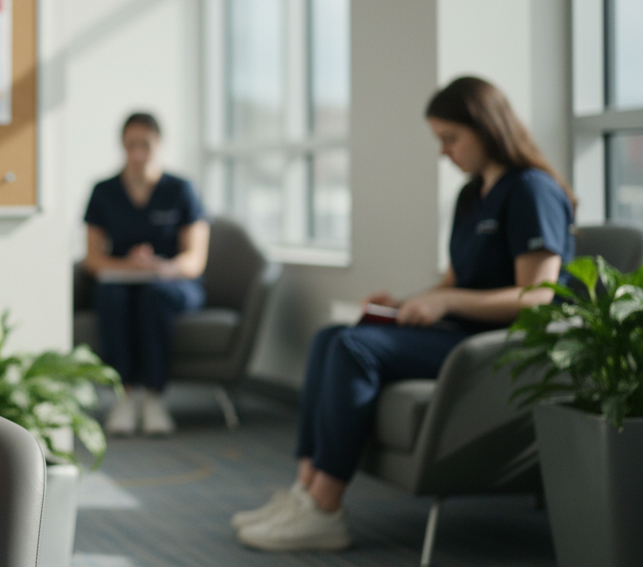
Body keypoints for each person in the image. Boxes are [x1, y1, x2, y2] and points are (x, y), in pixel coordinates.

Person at [233, 76, 575, 552]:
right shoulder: (471, 196)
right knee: (332, 335)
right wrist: (407, 303)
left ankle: (326, 509)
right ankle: (306, 490)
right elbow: (457, 282)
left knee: (354, 348)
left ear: (487, 128)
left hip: (500, 346)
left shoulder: (532, 191)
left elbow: (536, 297)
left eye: (451, 139)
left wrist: (446, 303)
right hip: (460, 331)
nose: (444, 152)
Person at [83, 112, 210, 436]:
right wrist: (129, 266)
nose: (138, 154)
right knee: (111, 296)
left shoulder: (180, 189)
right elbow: (93, 259)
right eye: (131, 145)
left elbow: (194, 259)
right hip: (122, 280)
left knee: (155, 297)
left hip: (172, 282)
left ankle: (154, 396)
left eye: (146, 145)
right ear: (122, 146)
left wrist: (162, 268)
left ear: (159, 145)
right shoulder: (104, 191)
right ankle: (125, 394)